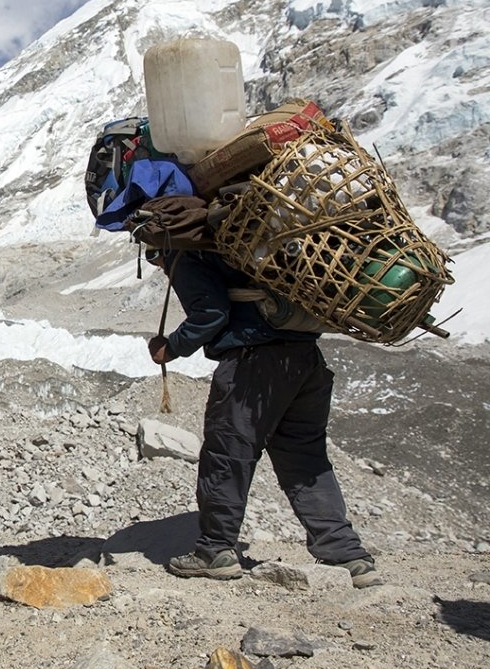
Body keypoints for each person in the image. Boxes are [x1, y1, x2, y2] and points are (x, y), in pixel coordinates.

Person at [146, 248, 383, 588]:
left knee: (228, 455)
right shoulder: (251, 245)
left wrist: (171, 347)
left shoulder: (189, 254)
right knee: (305, 459)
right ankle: (346, 554)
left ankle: (215, 551)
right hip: (304, 360)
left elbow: (211, 313)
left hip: (253, 362)